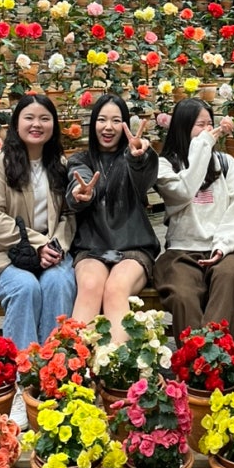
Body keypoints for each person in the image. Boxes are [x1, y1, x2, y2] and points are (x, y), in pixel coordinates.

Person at [0, 94, 77, 426]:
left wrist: (55, 245)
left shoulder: (60, 166)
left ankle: (52, 381)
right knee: (25, 288)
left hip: (51, 252)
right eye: (29, 117)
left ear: (53, 125)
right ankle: (23, 385)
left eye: (44, 118)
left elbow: (69, 216)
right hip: (5, 255)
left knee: (59, 282)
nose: (37, 124)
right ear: (16, 123)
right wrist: (37, 243)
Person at [154, 98, 234, 341]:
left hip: (224, 249)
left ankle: (213, 355)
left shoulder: (226, 164)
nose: (209, 131)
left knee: (228, 277)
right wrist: (202, 146)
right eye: (200, 125)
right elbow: (184, 191)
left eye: (210, 124)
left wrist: (222, 246)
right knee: (183, 295)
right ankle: (197, 357)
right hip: (181, 252)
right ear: (182, 127)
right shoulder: (165, 166)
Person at [66, 93, 160, 343]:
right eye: (102, 120)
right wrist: (81, 193)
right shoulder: (80, 160)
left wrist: (138, 158)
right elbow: (78, 183)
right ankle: (76, 361)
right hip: (91, 248)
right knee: (89, 286)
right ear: (93, 123)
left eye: (116, 121)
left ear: (125, 125)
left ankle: (116, 362)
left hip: (134, 248)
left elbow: (145, 177)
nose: (108, 127)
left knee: (116, 288)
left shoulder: (133, 156)